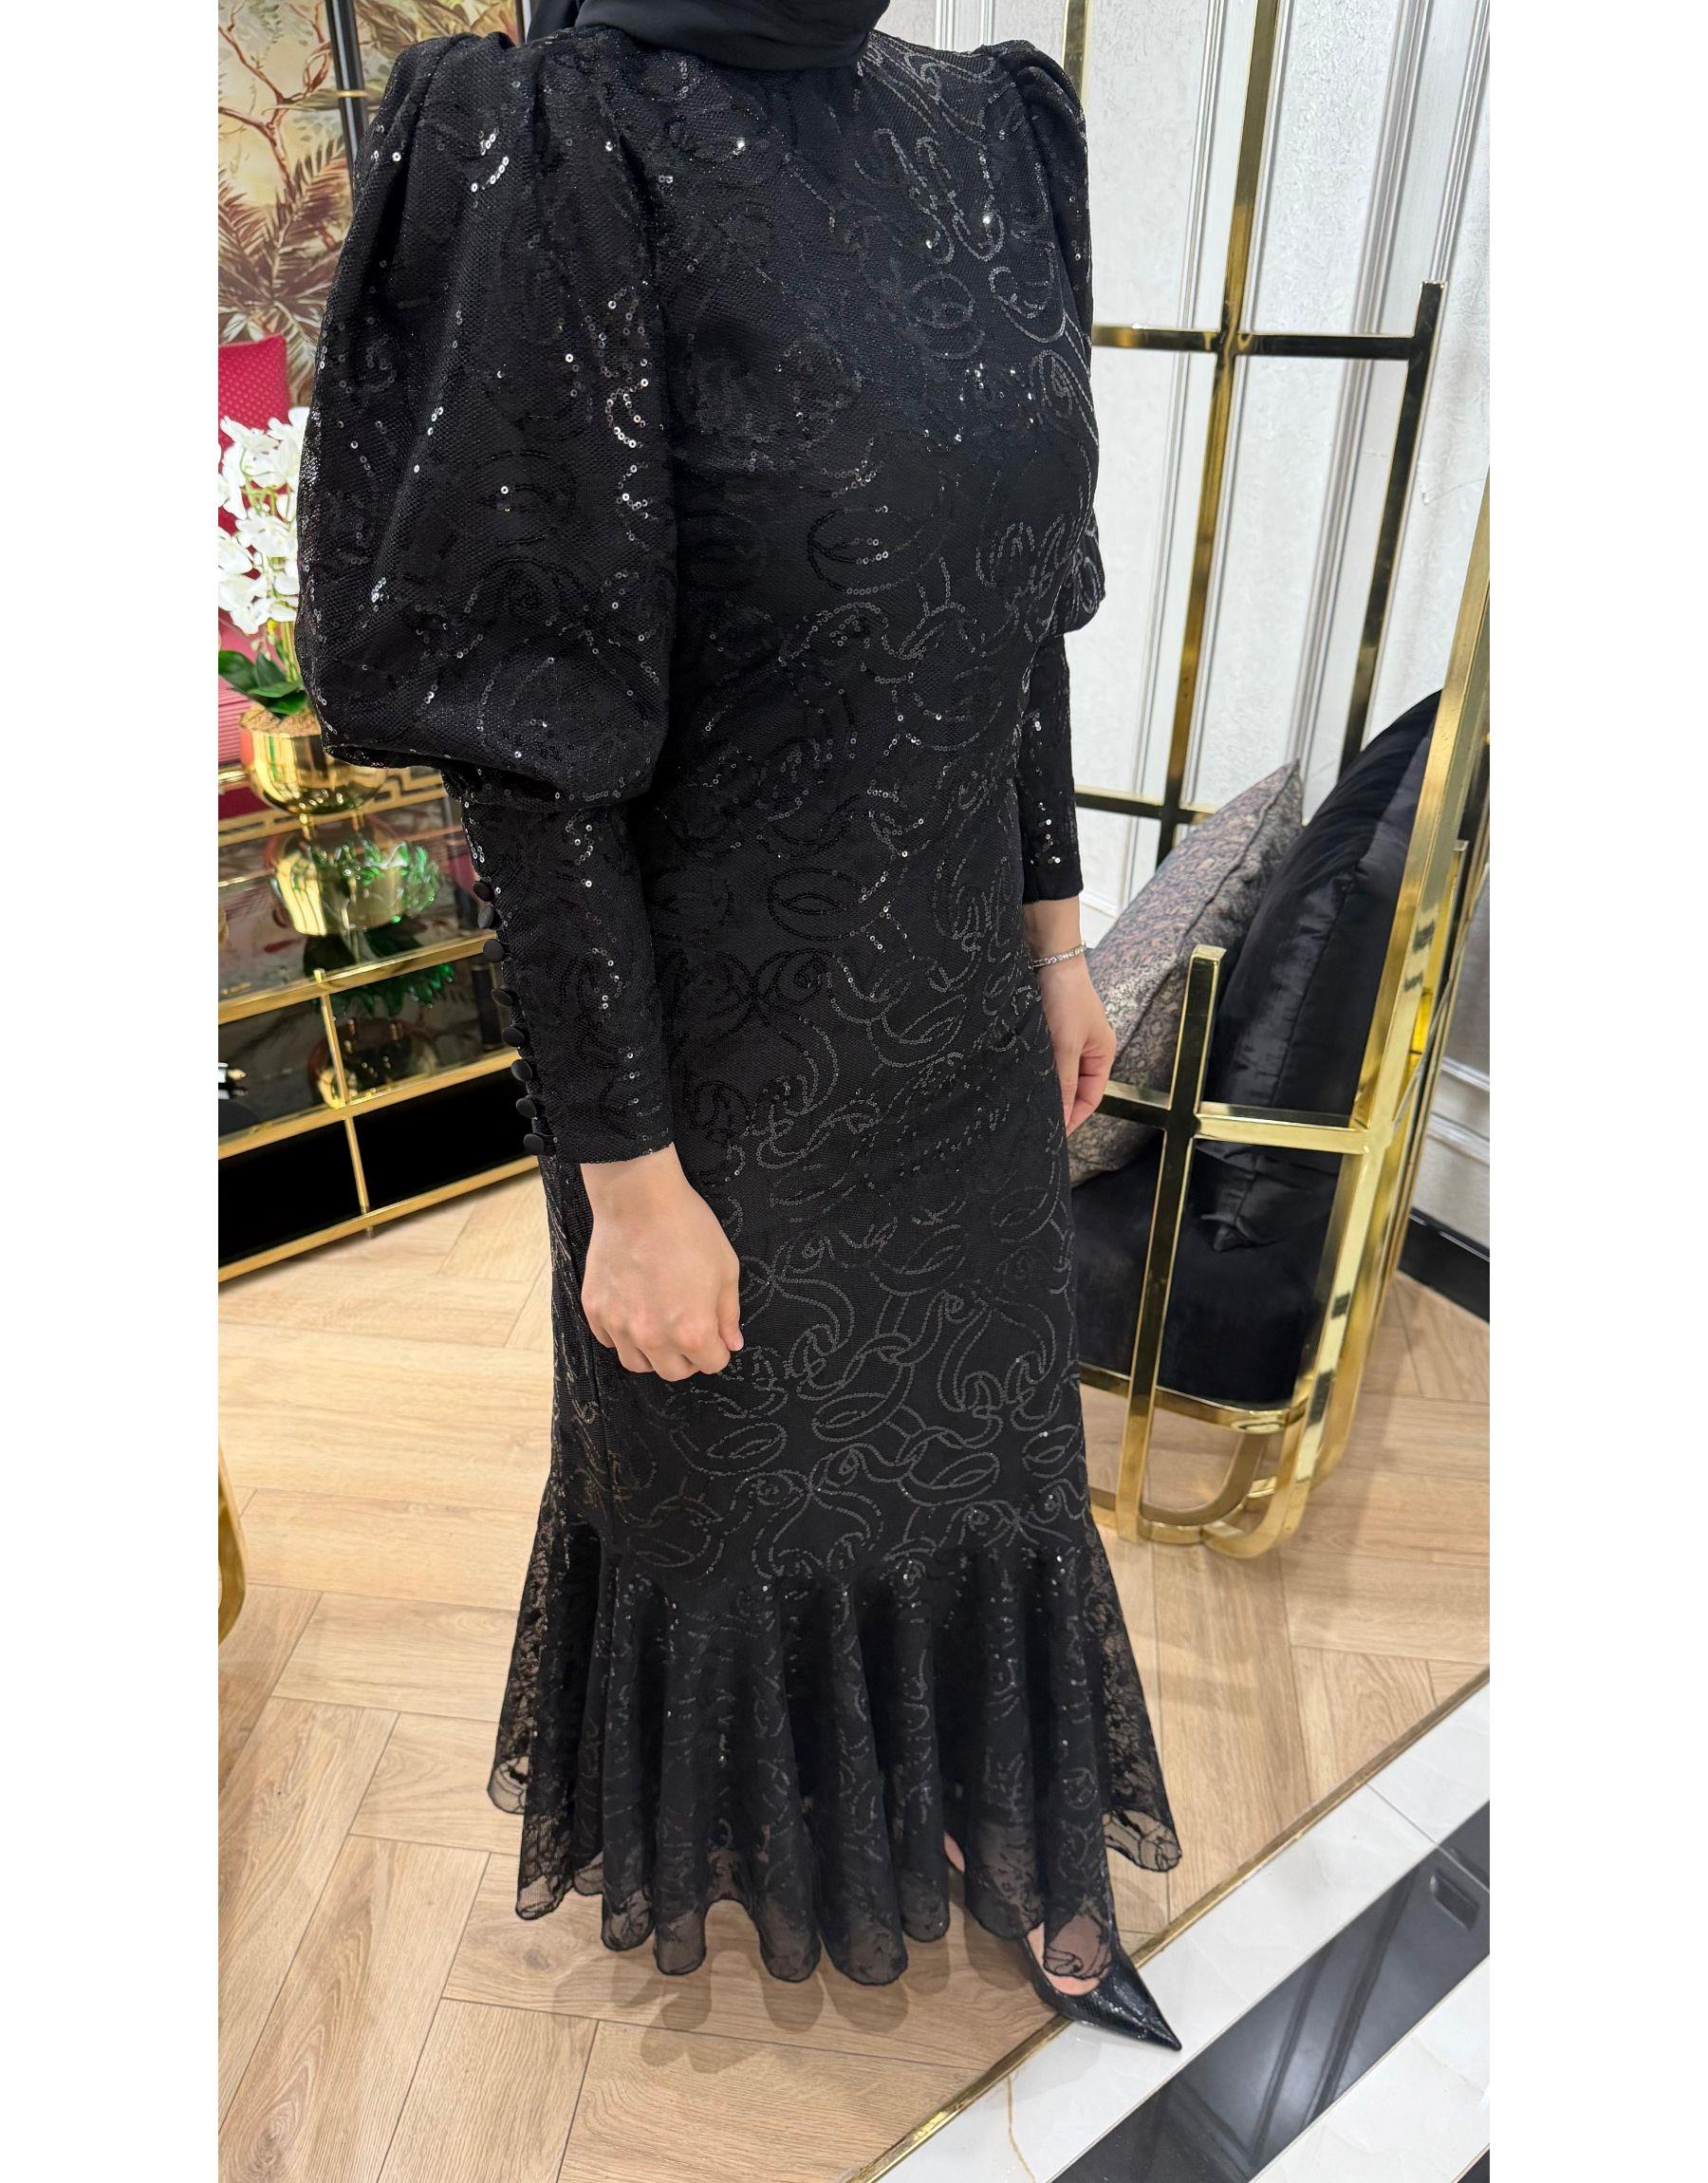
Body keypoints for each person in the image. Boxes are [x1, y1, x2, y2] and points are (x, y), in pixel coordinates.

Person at [299, 0, 1180, 2043]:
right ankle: (809, 1849)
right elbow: (529, 757)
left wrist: (1056, 944)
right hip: (712, 1072)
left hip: (953, 1023)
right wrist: (628, 1183)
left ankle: (986, 1807)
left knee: (989, 1469)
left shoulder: (992, 131)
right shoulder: (558, 144)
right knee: (746, 1499)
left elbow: (1021, 626)